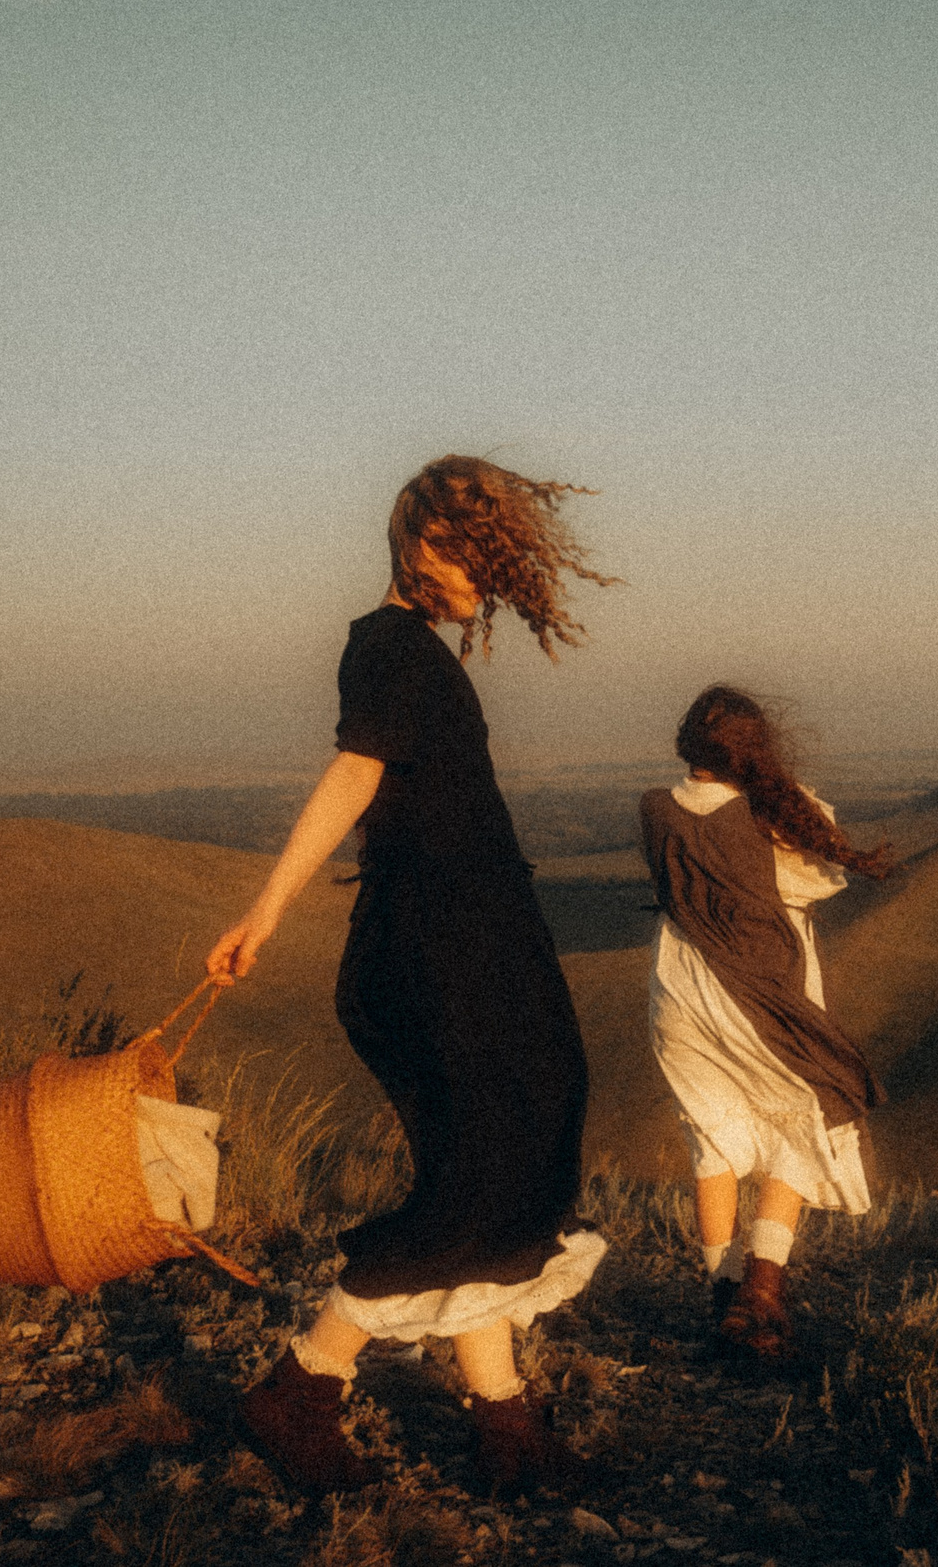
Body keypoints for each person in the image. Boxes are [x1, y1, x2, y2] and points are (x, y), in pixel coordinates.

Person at [208, 454, 615, 1496]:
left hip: (469, 936)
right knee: (489, 1165)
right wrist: (267, 907)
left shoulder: (412, 650)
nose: (482, 575)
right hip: (436, 946)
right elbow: (353, 775)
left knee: (509, 1149)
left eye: (492, 558)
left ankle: (505, 1431)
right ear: (417, 546)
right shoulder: (389, 647)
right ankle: (301, 1386)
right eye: (468, 553)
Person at [638, 686, 895, 1359]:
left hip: (680, 994)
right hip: (760, 992)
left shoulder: (655, 809)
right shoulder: (771, 818)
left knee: (713, 1140)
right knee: (807, 1109)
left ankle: (723, 1295)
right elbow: (819, 879)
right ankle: (762, 1290)